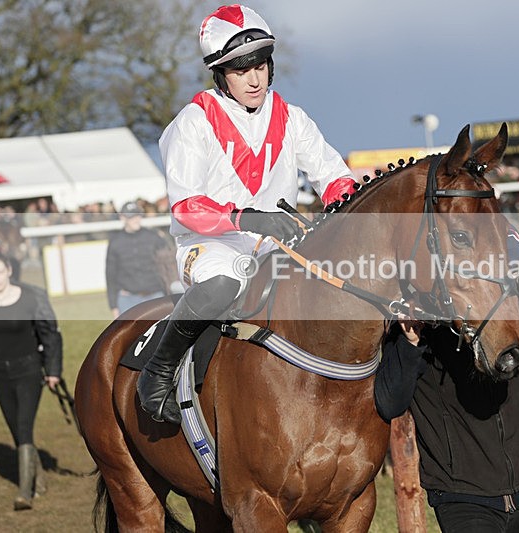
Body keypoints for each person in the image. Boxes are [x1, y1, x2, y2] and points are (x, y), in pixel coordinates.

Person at [138, 4, 357, 424]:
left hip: (280, 243)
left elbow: (332, 176)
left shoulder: (292, 118)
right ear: (220, 73)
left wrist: (349, 203)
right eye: (241, 70)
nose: (254, 78)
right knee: (225, 283)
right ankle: (158, 371)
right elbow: (186, 207)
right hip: (210, 245)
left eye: (260, 65)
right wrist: (246, 219)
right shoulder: (193, 122)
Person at [374, 228, 519, 532]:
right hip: (462, 498)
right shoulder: (415, 322)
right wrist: (410, 342)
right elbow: (390, 402)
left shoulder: (510, 306)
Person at [0, 252, 62, 510]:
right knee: (17, 431)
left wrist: (52, 370)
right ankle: (39, 478)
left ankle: (24, 494)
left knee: (24, 426)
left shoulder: (31, 297)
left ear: (9, 271)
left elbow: (50, 334)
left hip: (29, 371)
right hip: (0, 375)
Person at [105, 201, 168, 317]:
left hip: (155, 295)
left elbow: (167, 266)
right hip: (128, 299)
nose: (136, 219)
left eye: (138, 215)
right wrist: (113, 306)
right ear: (122, 218)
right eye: (131, 216)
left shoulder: (154, 237)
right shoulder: (115, 242)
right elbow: (110, 275)